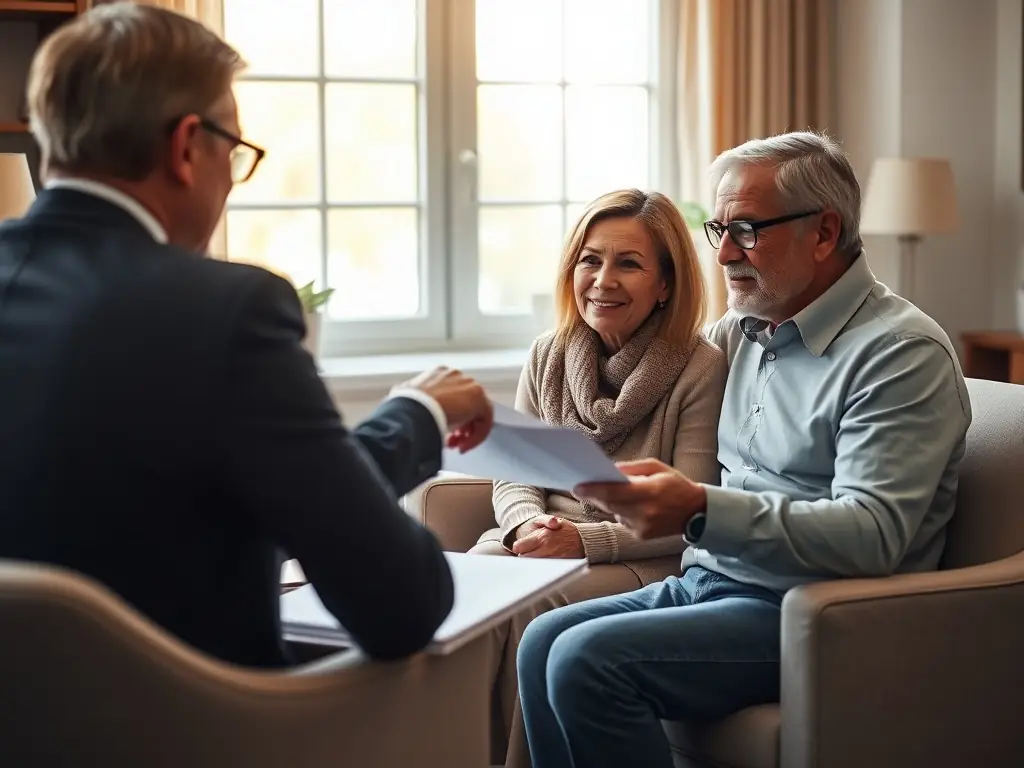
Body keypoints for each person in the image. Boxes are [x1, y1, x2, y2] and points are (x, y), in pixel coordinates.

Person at [0, 3, 493, 669]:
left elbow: (266, 494)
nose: (232, 176)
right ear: (185, 147)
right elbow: (401, 603)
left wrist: (417, 415)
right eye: (234, 149)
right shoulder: (225, 311)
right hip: (192, 730)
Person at [515, 131, 973, 768]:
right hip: (713, 582)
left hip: (821, 612)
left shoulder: (898, 354)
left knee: (584, 661)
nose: (725, 252)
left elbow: (874, 534)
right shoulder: (741, 331)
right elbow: (653, 375)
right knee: (541, 639)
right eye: (719, 228)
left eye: (749, 230)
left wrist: (699, 509)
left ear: (823, 232)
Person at [467, 189, 727, 767]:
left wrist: (582, 540)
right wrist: (527, 528)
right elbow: (512, 474)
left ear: (665, 284)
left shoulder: (700, 367)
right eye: (591, 259)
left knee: (529, 610)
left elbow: (688, 510)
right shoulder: (547, 353)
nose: (602, 279)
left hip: (635, 557)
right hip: (540, 540)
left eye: (628, 263)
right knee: (464, 593)